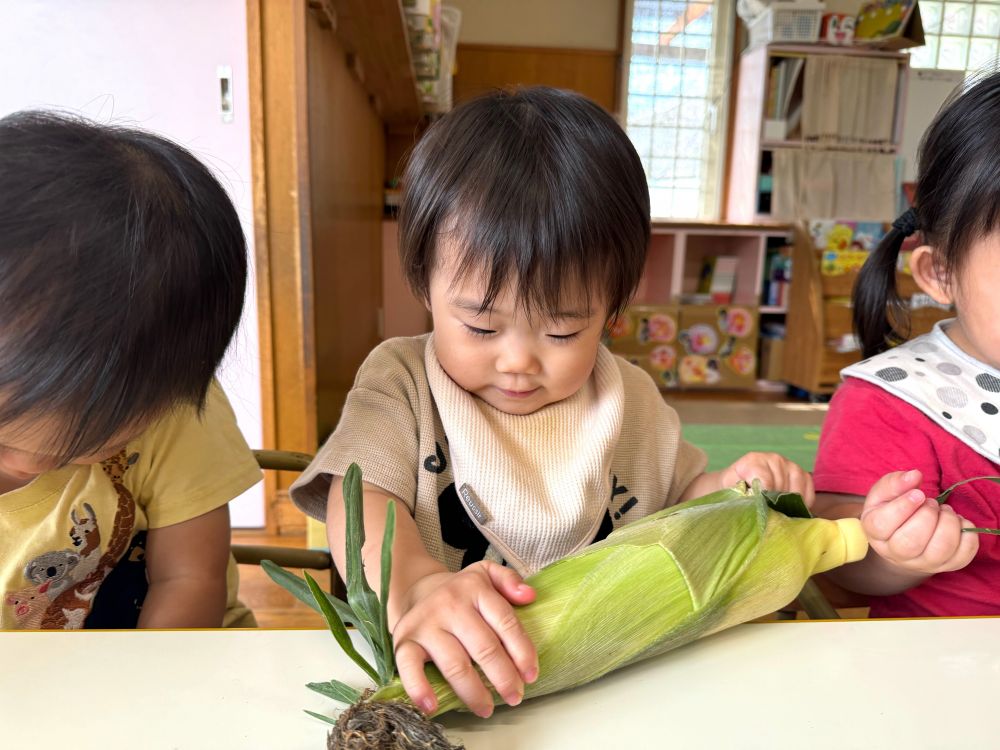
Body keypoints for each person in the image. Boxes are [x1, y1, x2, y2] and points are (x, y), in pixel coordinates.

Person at [291, 86, 812, 717]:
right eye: (481, 327)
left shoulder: (631, 404)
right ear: (424, 284)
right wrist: (421, 584)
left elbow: (681, 507)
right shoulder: (401, 384)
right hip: (437, 688)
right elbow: (361, 505)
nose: (517, 361)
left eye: (562, 331)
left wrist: (734, 487)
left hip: (612, 690)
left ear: (614, 308)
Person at [0, 111, 262, 630]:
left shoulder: (179, 418)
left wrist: (144, 707)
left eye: (66, 450)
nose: (24, 462)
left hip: (169, 664)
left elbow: (190, 581)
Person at [813, 71, 1000, 617]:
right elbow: (839, 559)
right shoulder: (893, 401)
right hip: (941, 672)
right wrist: (899, 554)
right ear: (941, 272)